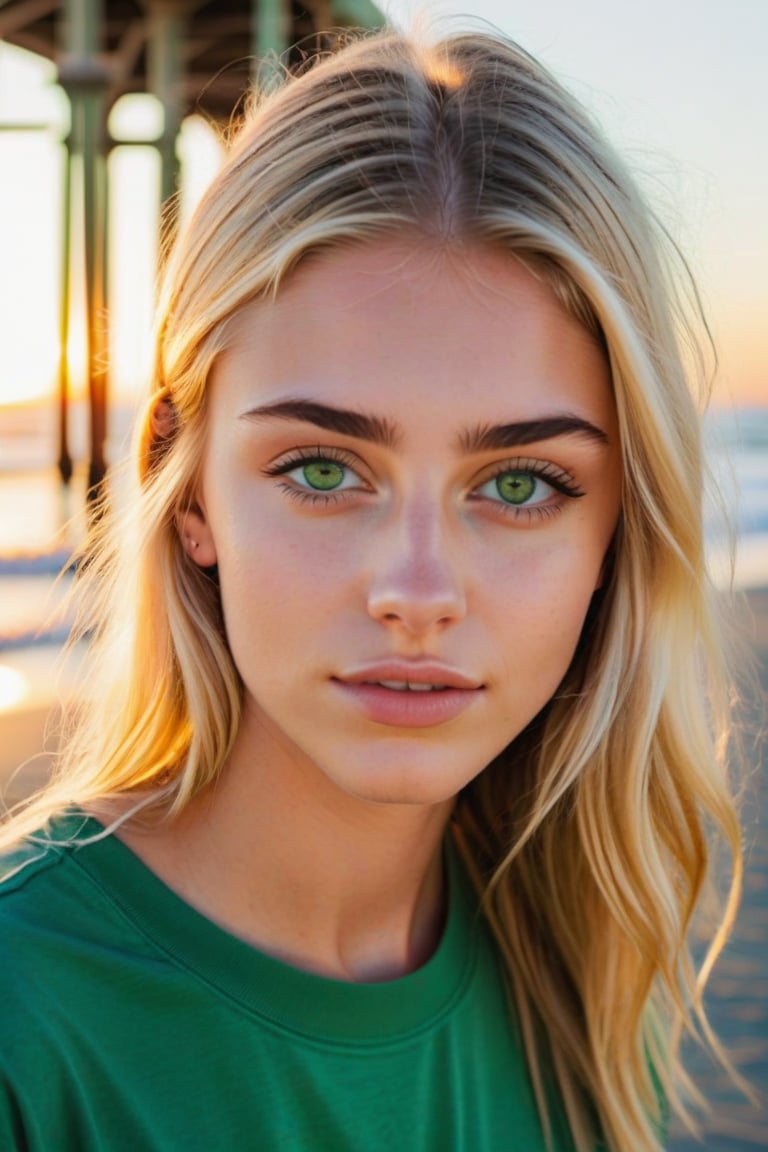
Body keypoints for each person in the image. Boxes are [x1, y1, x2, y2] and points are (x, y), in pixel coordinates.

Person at [0, 26, 746, 1152]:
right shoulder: (27, 1025)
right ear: (185, 485)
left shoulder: (579, 970)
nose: (418, 591)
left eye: (521, 484)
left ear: (617, 531)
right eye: (322, 469)